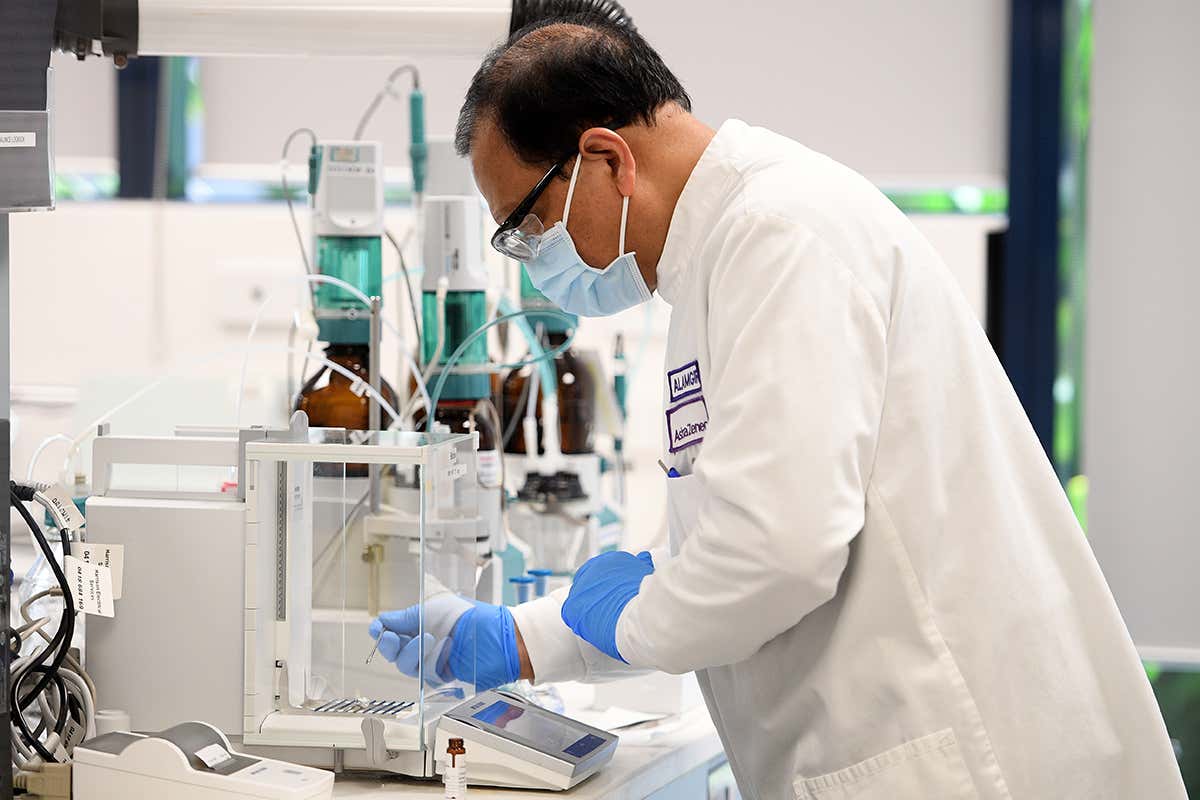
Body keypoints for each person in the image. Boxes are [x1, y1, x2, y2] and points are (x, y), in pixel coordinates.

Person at [369, 13, 1187, 799]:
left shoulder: (780, 234)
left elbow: (773, 553)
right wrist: (524, 638)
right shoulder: (721, 256)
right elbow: (726, 545)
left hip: (953, 760)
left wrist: (624, 622)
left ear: (606, 156)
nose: (533, 259)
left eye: (529, 224)